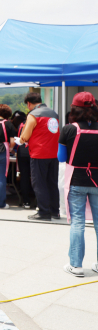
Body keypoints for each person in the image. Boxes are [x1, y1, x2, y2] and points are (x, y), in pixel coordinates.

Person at [58, 92, 98, 277]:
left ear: (74, 108)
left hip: (76, 180)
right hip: (97, 180)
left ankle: (76, 265)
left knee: (78, 223)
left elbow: (61, 157)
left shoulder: (68, 129)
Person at [18, 92, 60, 220]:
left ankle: (43, 212)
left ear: (29, 104)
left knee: (39, 183)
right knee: (52, 183)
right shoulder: (54, 114)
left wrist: (20, 139)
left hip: (39, 153)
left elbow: (25, 136)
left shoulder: (33, 115)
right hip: (54, 153)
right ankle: (54, 211)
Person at [12, 111, 33, 208]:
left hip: (22, 151)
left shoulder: (22, 124)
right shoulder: (37, 123)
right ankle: (37, 201)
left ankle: (26, 201)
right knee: (36, 176)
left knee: (24, 176)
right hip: (34, 151)